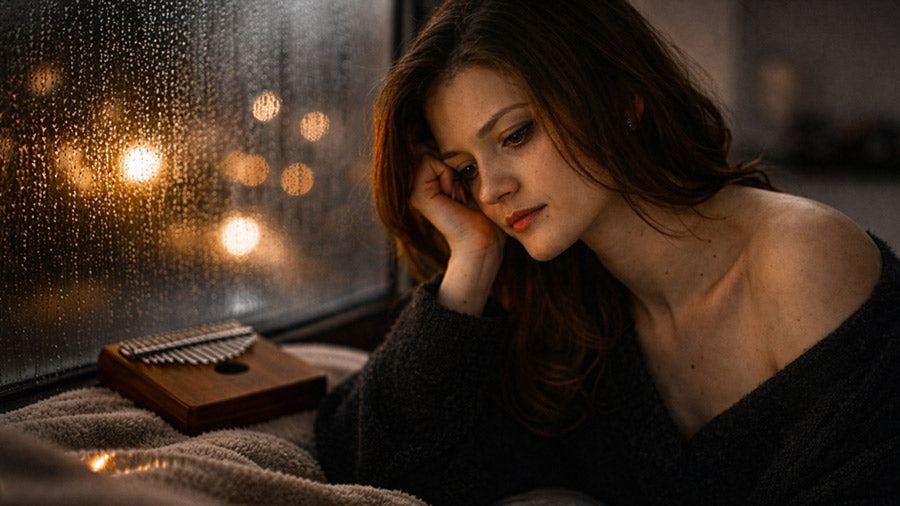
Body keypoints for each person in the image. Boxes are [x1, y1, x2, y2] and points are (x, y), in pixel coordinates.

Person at [314, 0, 899, 504]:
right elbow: (369, 466)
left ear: (622, 97)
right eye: (465, 169)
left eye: (515, 135)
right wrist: (470, 263)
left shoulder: (802, 257)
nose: (491, 189)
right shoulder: (573, 312)